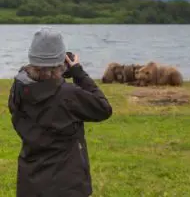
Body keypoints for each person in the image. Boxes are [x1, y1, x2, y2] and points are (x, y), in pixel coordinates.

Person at [8, 27, 112, 197]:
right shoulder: (67, 94)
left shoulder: (19, 87)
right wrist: (78, 72)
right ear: (61, 61)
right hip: (66, 185)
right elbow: (103, 108)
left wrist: (55, 69)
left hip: (30, 181)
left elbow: (29, 78)